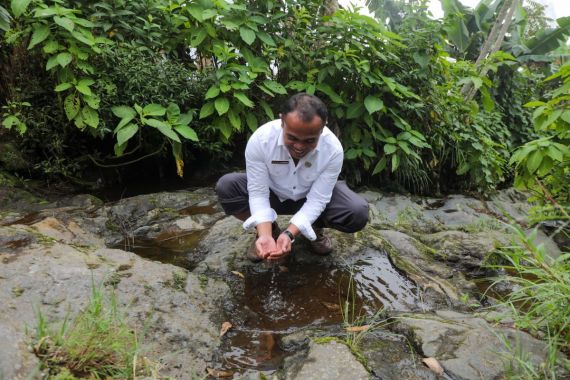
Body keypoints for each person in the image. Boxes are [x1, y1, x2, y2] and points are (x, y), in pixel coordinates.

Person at [215, 93, 368, 262]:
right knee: (227, 186)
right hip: (274, 193)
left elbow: (318, 199)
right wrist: (265, 235)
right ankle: (267, 230)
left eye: (310, 140)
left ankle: (313, 228)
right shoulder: (260, 140)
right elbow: (258, 192)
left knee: (357, 211)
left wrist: (289, 234)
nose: (299, 147)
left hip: (310, 197)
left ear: (323, 127)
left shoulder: (333, 150)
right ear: (282, 121)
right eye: (292, 138)